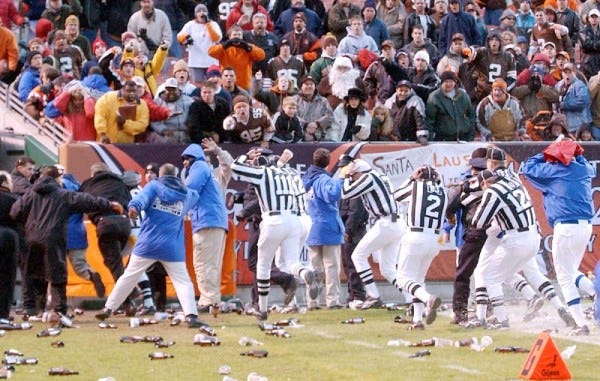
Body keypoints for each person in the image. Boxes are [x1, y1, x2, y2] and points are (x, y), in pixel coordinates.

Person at [95, 163, 209, 329]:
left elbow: (139, 200)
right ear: (176, 176)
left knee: (129, 276)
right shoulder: (187, 194)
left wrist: (133, 208)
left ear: (160, 175)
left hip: (147, 243)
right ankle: (191, 316)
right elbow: (196, 196)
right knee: (182, 281)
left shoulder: (154, 186)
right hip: (172, 247)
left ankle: (108, 308)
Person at [10, 165, 122, 321]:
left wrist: (29, 225)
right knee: (57, 276)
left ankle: (37, 310)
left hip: (32, 238)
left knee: (36, 274)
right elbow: (87, 201)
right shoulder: (63, 195)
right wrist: (109, 204)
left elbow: (15, 212)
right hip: (53, 238)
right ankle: (59, 311)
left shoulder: (30, 194)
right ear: (57, 179)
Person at [231, 148, 319, 320]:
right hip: (295, 219)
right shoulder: (292, 174)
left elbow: (236, 166)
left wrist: (245, 156)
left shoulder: (263, 173)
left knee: (262, 265)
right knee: (290, 262)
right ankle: (305, 273)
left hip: (273, 220)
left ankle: (262, 309)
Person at [521, 139, 596, 336]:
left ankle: (580, 324)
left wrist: (547, 151)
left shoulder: (555, 171)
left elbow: (528, 167)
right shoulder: (585, 169)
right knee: (571, 271)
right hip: (585, 227)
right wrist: (571, 151)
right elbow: (582, 161)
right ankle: (595, 293)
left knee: (564, 277)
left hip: (567, 227)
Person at [340, 158, 403, 309]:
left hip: (386, 222)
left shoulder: (369, 177)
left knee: (357, 255)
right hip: (395, 221)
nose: (353, 178)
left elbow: (345, 193)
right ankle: (413, 297)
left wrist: (347, 177)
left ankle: (373, 295)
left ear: (359, 172)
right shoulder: (381, 176)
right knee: (388, 269)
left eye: (354, 175)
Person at [393, 166, 446, 329]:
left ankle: (428, 299)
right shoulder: (442, 191)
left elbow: (396, 195)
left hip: (416, 236)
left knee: (402, 279)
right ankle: (417, 321)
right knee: (418, 280)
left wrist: (411, 178)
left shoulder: (416, 186)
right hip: (435, 238)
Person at [79, 163, 136, 313]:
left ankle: (128, 298)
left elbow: (79, 201)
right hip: (124, 224)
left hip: (105, 224)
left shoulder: (88, 183)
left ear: (93, 174)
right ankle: (128, 293)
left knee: (114, 263)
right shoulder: (120, 182)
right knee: (116, 262)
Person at [181, 144, 228, 313]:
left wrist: (177, 212)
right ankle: (212, 300)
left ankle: (207, 300)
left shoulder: (199, 167)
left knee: (203, 262)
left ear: (193, 157)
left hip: (207, 221)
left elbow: (190, 192)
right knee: (212, 264)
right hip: (216, 221)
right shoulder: (206, 170)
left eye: (186, 159)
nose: (184, 163)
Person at [445, 148, 488, 324]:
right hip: (493, 232)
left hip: (471, 232)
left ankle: (461, 311)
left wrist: (448, 223)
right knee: (487, 273)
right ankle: (487, 308)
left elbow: (453, 204)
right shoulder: (497, 182)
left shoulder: (467, 185)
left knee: (464, 272)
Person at [302, 148, 344, 309]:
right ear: (328, 163)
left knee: (314, 266)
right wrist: (341, 178)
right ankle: (332, 300)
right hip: (328, 226)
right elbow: (332, 195)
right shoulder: (323, 179)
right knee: (331, 265)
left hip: (310, 227)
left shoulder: (306, 180)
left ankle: (312, 301)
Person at [177, 3, 222, 83]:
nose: (201, 13)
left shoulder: (213, 24)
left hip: (211, 61)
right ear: (195, 14)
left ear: (207, 13)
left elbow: (217, 39)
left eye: (203, 11)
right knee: (198, 84)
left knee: (212, 85)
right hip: (196, 62)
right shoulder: (190, 25)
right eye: (199, 11)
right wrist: (186, 37)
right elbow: (179, 36)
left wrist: (208, 25)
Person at [425, 70, 475, 141]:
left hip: (463, 138)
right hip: (443, 139)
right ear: (442, 83)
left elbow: (471, 115)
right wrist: (431, 138)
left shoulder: (464, 96)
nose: (449, 84)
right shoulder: (434, 97)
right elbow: (429, 121)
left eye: (451, 81)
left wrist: (470, 136)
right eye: (446, 82)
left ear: (455, 82)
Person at [0, 171, 18, 320]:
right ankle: (3, 315)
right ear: (5, 183)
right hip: (8, 235)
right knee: (7, 277)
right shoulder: (14, 199)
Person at [555, 63, 592, 136]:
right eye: (565, 72)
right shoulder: (558, 85)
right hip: (565, 125)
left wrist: (564, 105)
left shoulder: (580, 86)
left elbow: (581, 103)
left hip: (579, 126)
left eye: (570, 72)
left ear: (574, 73)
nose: (567, 75)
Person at [295, 74, 333, 142]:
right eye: (306, 84)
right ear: (301, 86)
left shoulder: (323, 101)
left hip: (319, 138)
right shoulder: (294, 100)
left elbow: (330, 117)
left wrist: (317, 123)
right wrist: (306, 125)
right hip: (299, 138)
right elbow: (292, 116)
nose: (309, 86)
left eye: (311, 84)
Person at [580, 9, 600, 81]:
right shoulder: (583, 31)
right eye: (592, 17)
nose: (594, 19)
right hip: (587, 64)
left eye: (596, 17)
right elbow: (587, 45)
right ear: (588, 18)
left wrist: (594, 44)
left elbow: (592, 45)